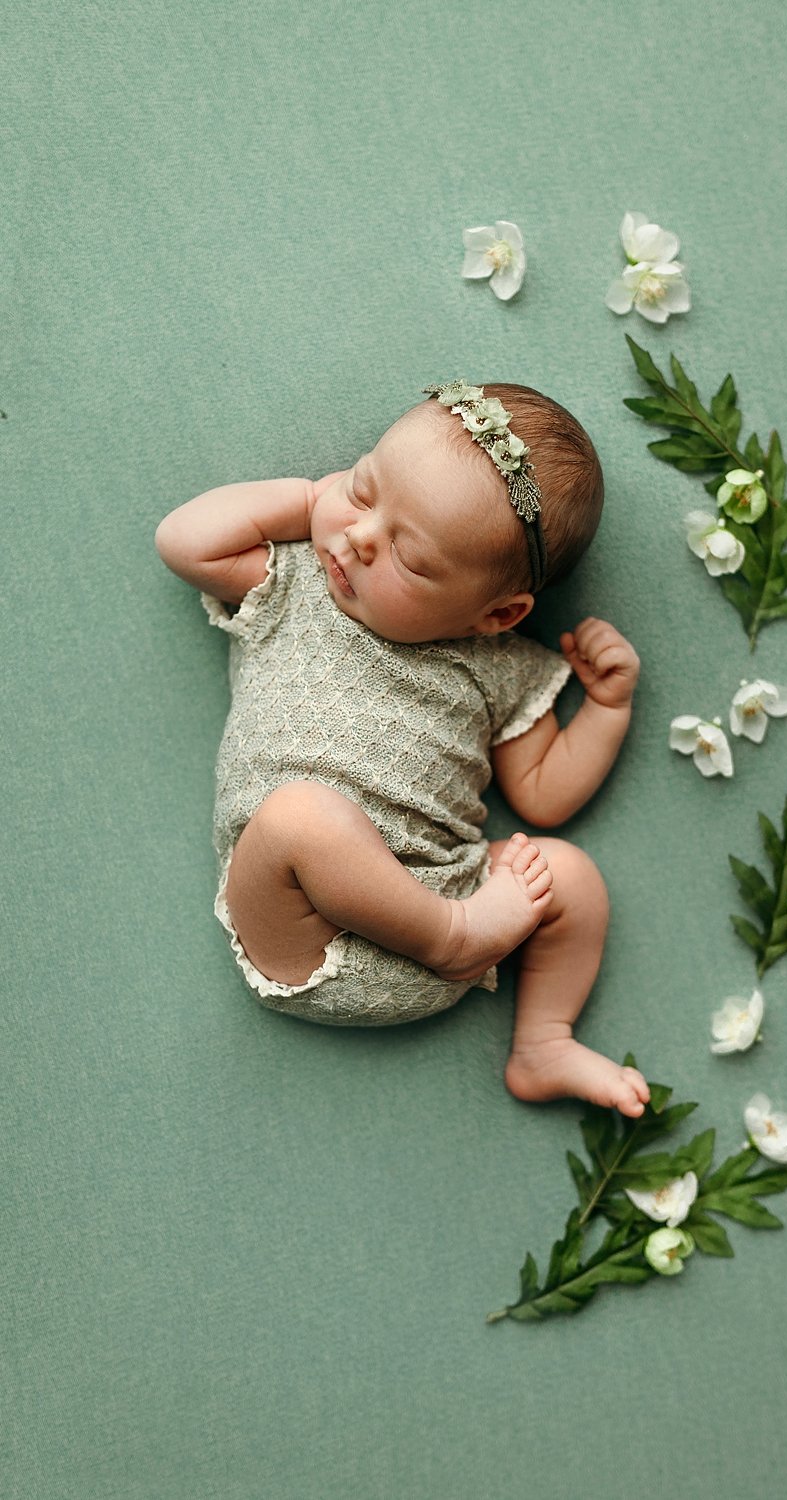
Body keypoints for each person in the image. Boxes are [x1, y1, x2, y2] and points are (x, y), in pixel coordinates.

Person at [155, 380, 649, 1117]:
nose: (357, 537)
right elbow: (183, 541)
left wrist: (606, 708)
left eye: (408, 558)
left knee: (568, 877)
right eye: (363, 487)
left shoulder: (502, 667)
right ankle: (452, 939)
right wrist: (309, 501)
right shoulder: (293, 583)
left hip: (452, 898)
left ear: (496, 614)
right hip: (301, 933)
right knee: (297, 820)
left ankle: (543, 1042)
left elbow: (544, 794)